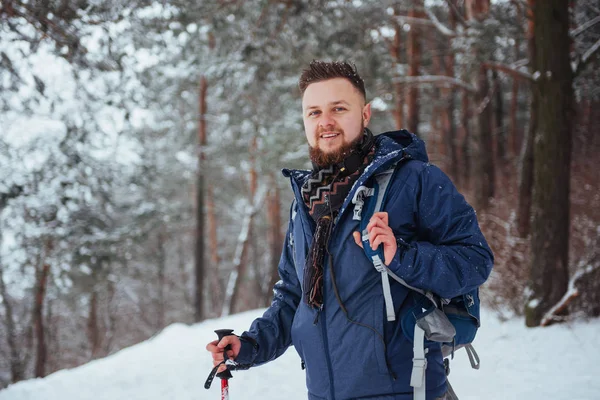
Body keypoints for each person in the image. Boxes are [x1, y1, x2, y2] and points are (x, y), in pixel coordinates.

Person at [206, 60, 494, 400]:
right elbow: (293, 297)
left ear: (365, 113)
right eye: (313, 112)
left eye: (338, 109)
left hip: (406, 390)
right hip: (324, 392)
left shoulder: (414, 179)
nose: (325, 122)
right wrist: (251, 344)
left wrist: (402, 256)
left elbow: (475, 260)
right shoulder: (305, 203)